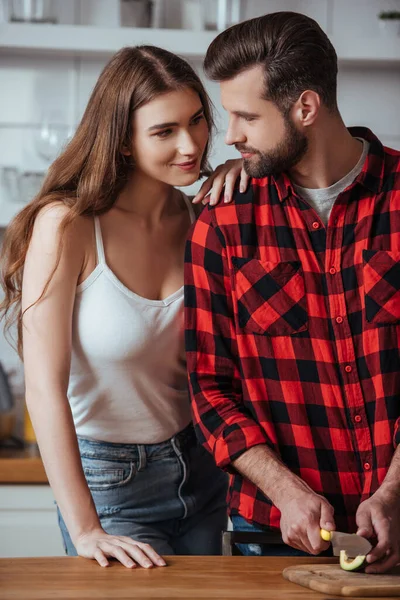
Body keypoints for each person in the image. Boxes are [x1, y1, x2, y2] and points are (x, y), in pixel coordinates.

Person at [0, 45, 247, 568]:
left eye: (197, 120)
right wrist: (85, 528)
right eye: (164, 131)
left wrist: (244, 180)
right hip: (110, 484)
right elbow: (43, 387)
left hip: (203, 471)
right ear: (124, 141)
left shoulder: (205, 219)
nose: (191, 144)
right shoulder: (67, 226)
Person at [185, 11, 400, 574]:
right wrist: (284, 490)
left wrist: (395, 488)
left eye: (246, 116)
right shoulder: (224, 223)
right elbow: (209, 386)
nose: (230, 135)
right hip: (276, 530)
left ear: (305, 108)